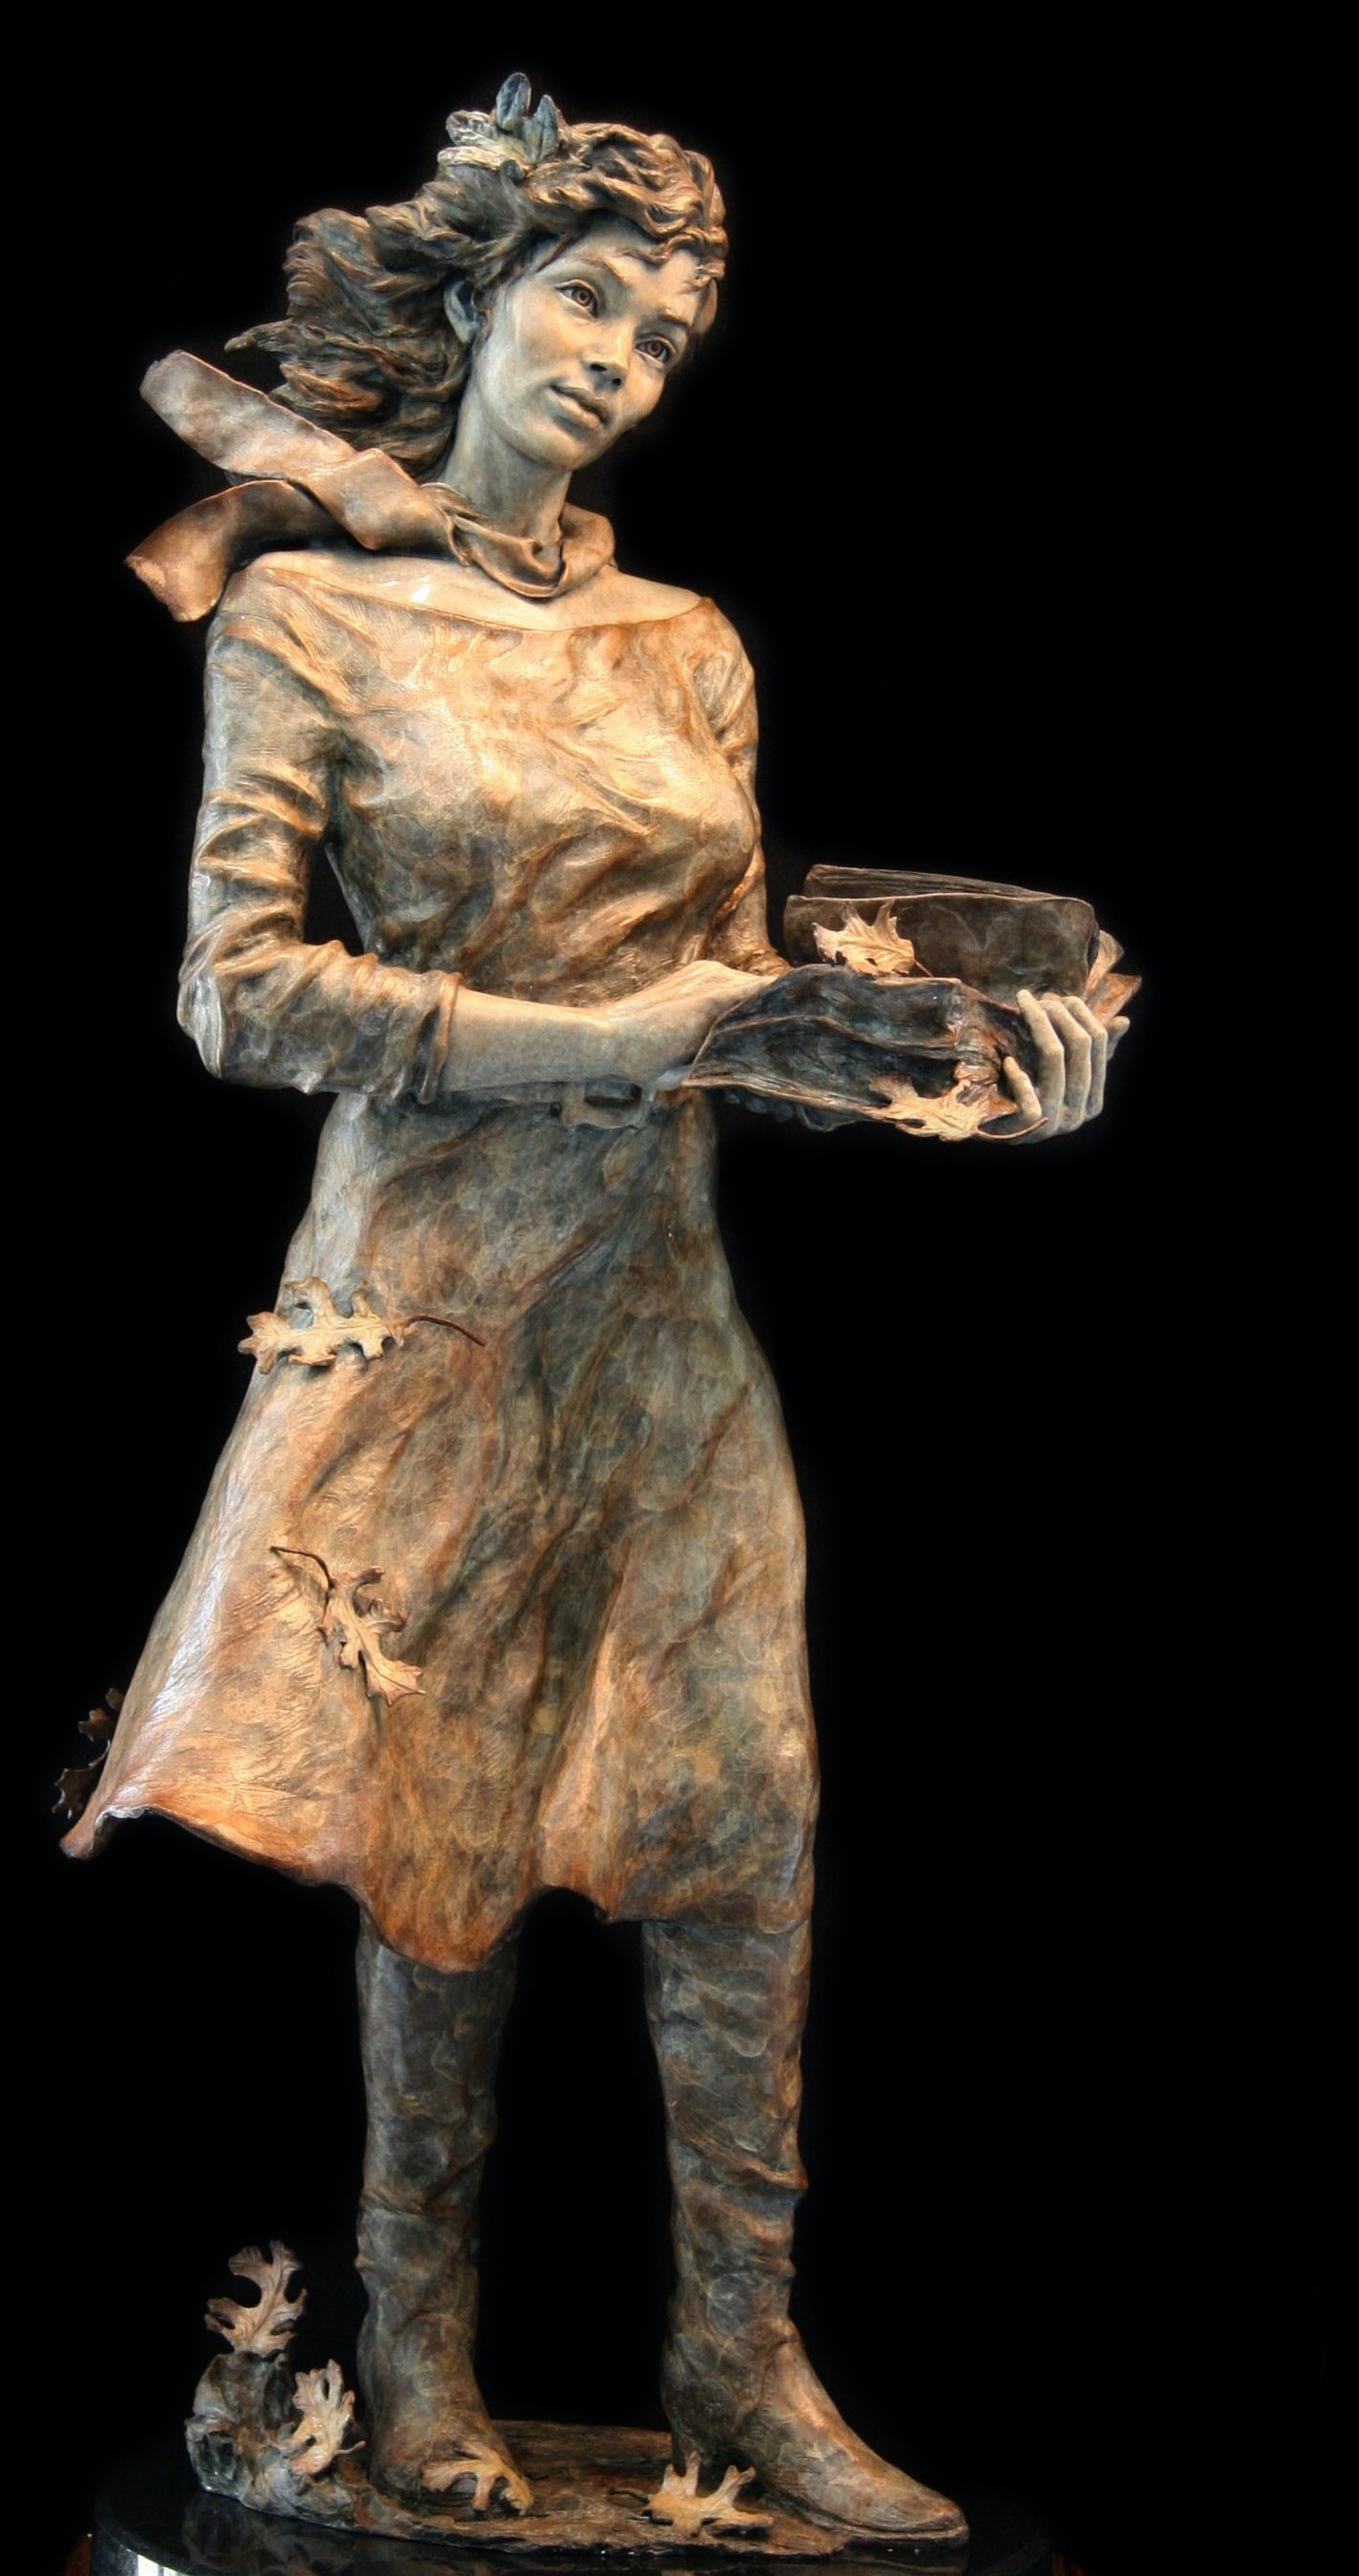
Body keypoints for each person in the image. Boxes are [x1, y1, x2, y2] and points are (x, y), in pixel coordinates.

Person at [63, 76, 1123, 2551]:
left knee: (744, 1816)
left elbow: (741, 1001)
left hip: (655, 1316)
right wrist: (595, 1044)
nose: (621, 357)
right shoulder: (310, 615)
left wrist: (972, 1077)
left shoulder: (686, 645)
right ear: (478, 298)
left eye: (665, 330)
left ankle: (741, 2358)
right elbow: (236, 995)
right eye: (587, 297)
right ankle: (415, 2342)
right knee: (438, 1830)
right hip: (427, 1307)